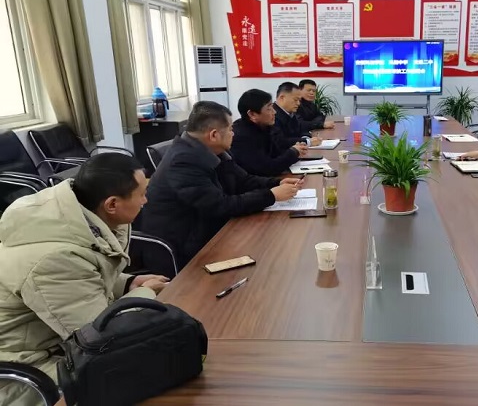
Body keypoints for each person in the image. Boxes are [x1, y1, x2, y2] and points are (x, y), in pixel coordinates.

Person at [0, 154, 169, 405]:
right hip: (27, 369)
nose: (146, 200)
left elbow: (81, 276)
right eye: (142, 194)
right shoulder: (53, 260)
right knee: (151, 378)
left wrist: (127, 283)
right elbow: (103, 337)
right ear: (112, 204)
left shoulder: (74, 216)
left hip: (57, 344)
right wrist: (146, 293)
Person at [141, 101, 301, 268]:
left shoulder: (211, 149)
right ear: (214, 135)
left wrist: (276, 182)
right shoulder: (183, 161)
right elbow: (220, 205)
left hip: (209, 231)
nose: (233, 133)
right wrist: (271, 195)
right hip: (185, 248)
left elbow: (243, 180)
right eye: (230, 129)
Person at [232, 88, 310, 176]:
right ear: (252, 114)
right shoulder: (241, 137)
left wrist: (297, 150)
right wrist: (293, 152)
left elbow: (279, 153)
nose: (274, 112)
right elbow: (267, 168)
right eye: (269, 108)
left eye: (272, 107)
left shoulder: (265, 127)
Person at [273, 82, 322, 146]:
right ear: (282, 97)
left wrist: (306, 137)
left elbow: (302, 129)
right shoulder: (272, 115)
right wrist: (307, 142)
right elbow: (280, 141)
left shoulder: (290, 113)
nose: (298, 103)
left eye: (299, 100)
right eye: (295, 100)